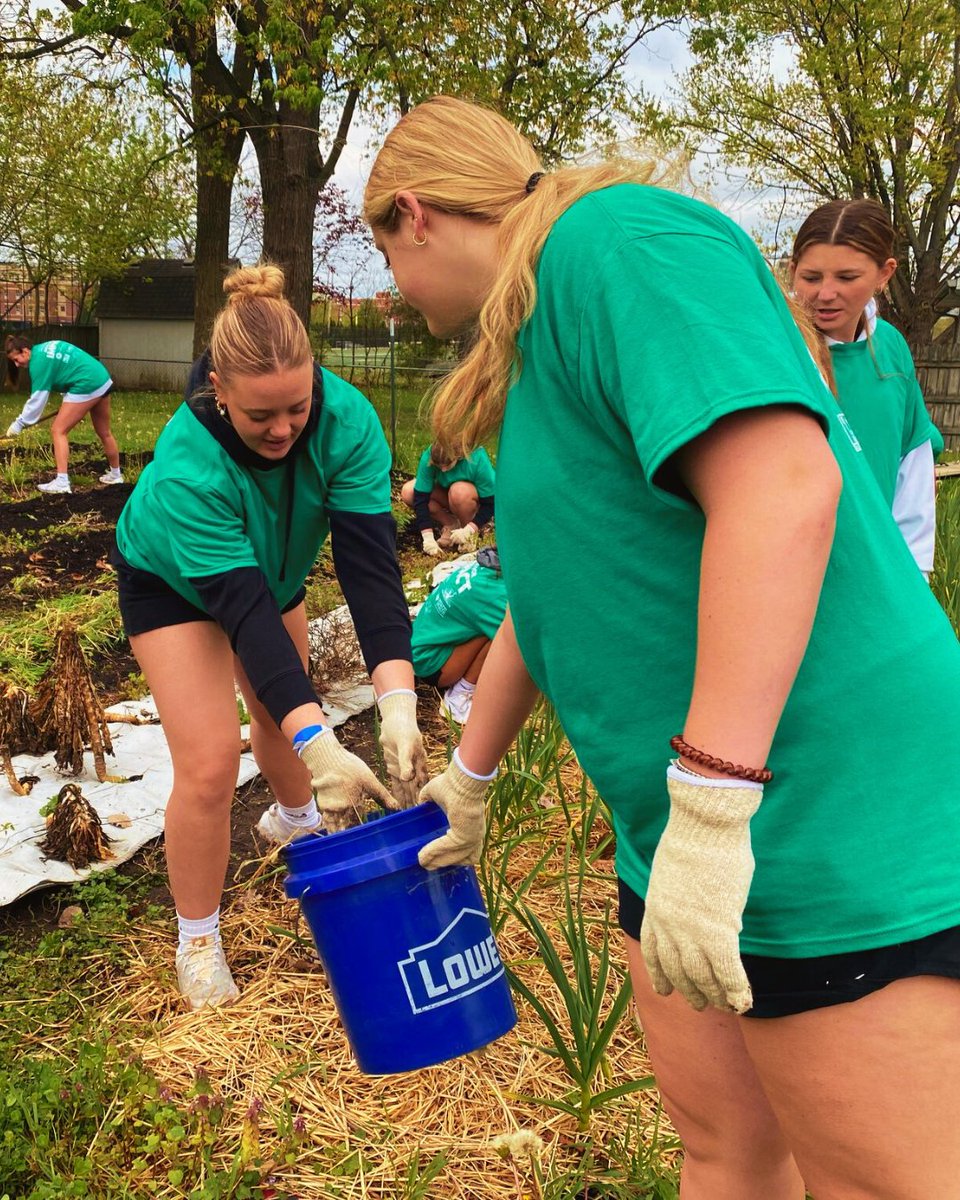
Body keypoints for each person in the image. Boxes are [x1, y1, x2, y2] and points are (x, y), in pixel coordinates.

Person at [365, 97, 960, 1199]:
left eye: (385, 254)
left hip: (821, 811)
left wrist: (717, 800)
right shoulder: (531, 347)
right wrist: (470, 776)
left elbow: (785, 487)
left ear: (411, 214)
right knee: (725, 1152)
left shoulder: (617, 240)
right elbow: (551, 597)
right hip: (685, 828)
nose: (397, 292)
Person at [112, 264, 428, 1011]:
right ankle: (197, 936)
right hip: (174, 583)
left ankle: (292, 822)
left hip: (272, 571)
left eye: (297, 406)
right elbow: (247, 623)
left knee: (285, 721)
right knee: (213, 760)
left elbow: (370, 574)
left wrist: (398, 702)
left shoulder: (347, 421)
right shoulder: (192, 469)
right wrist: (326, 748)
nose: (284, 428)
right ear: (218, 388)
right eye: (261, 417)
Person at [791, 199, 943, 577]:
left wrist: (914, 579)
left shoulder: (891, 349)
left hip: (877, 571)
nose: (825, 294)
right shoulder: (779, 350)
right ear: (791, 271)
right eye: (811, 278)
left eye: (846, 277)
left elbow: (913, 464)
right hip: (796, 569)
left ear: (884, 273)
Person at [4, 335, 123, 493]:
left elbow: (38, 400)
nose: (16, 364)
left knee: (58, 430)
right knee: (104, 432)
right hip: (100, 377)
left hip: (86, 383)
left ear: (25, 351)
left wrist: (19, 423)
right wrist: (69, 401)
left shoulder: (38, 364)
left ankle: (61, 482)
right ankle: (116, 475)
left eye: (16, 359)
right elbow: (67, 367)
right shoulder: (44, 349)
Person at [411, 546, 507, 722]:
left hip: (422, 645)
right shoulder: (497, 595)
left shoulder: (487, 567)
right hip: (431, 663)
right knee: (509, 631)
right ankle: (459, 698)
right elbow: (529, 642)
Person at [400, 442, 495, 555]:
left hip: (470, 499)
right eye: (439, 466)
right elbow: (420, 498)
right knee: (408, 492)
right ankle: (451, 524)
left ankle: (469, 533)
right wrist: (428, 537)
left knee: (459, 491)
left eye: (447, 465)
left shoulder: (476, 457)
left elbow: (491, 503)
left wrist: (470, 529)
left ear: (458, 457)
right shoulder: (430, 456)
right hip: (446, 494)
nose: (443, 470)